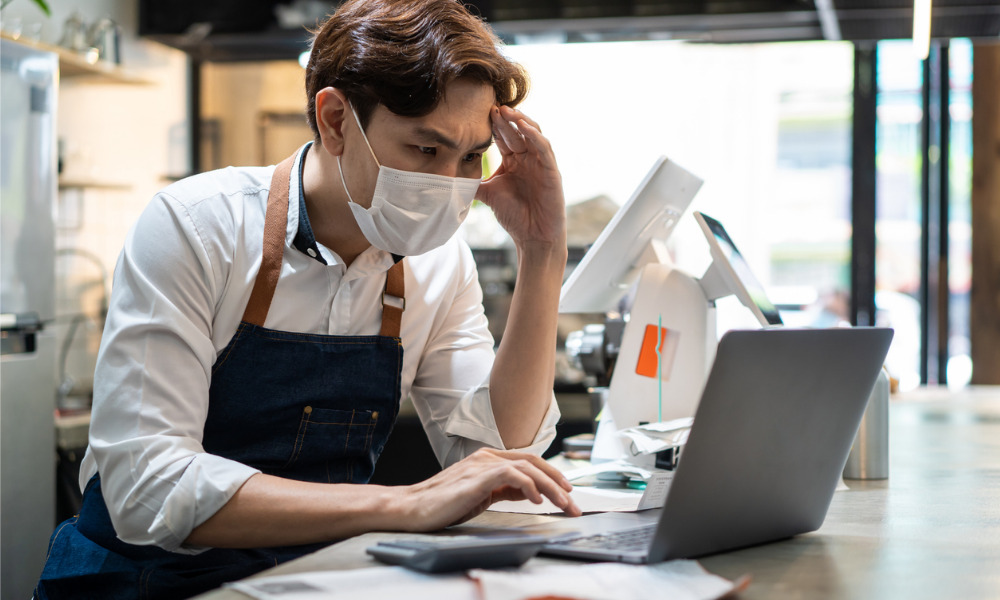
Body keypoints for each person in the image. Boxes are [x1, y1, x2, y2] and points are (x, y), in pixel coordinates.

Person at [35, 1, 580, 597]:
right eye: (425, 151)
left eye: (471, 156)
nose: (450, 183)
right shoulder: (196, 226)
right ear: (336, 120)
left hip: (306, 581)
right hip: (140, 580)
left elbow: (499, 460)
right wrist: (404, 504)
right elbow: (148, 486)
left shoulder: (439, 264)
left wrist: (543, 250)